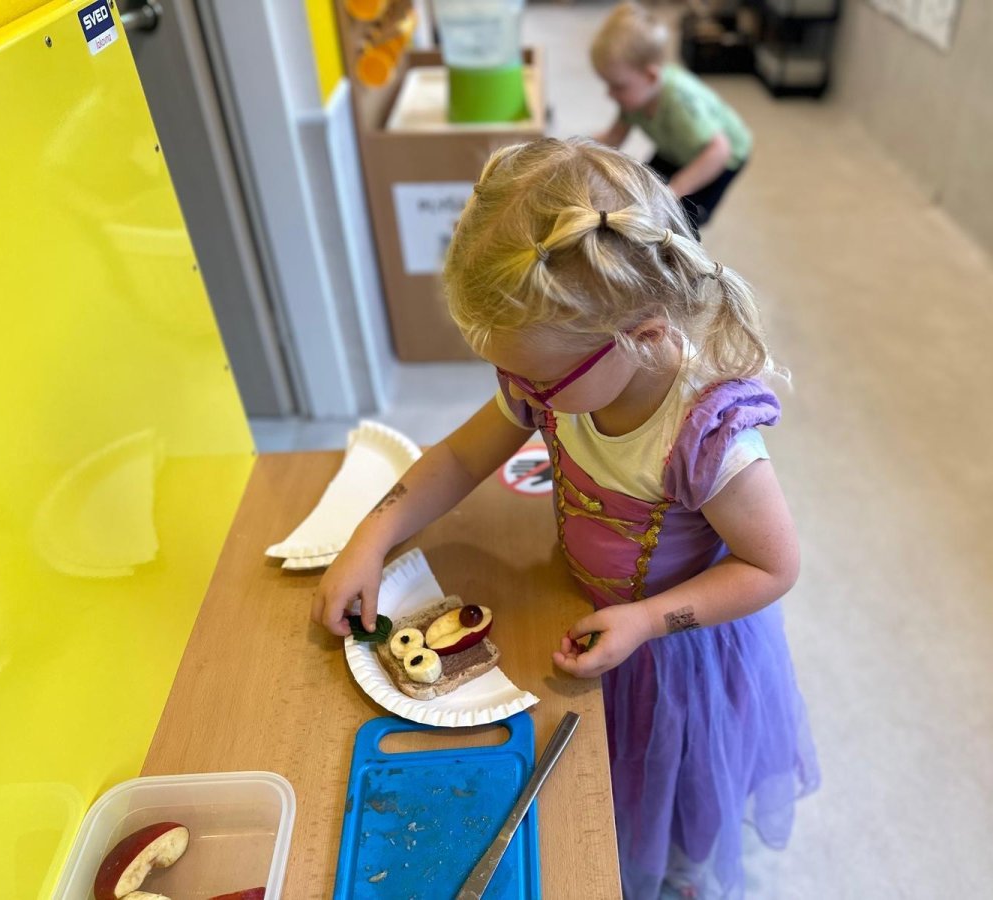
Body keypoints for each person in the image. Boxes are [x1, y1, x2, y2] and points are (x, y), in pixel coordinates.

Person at [313, 137, 818, 899]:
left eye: (536, 380)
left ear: (644, 335)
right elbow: (457, 460)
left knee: (675, 777)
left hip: (677, 649)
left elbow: (773, 567)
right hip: (586, 609)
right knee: (608, 772)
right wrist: (371, 537)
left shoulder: (707, 436)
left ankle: (680, 873)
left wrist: (647, 620)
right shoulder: (555, 373)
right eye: (505, 372)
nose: (519, 395)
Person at [591, 1, 752, 237]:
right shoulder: (633, 99)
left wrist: (673, 191)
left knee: (682, 217)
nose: (610, 94)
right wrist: (578, 152)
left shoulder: (680, 103)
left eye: (618, 86)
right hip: (678, 146)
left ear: (650, 76)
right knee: (643, 188)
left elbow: (719, 150)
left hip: (720, 156)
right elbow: (613, 137)